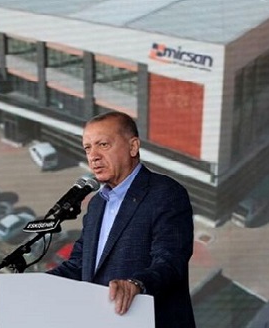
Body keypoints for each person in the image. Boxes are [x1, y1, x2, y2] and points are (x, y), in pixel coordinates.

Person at [47, 111, 196, 328]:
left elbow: (170, 261)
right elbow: (79, 264)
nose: (93, 156)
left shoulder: (165, 193)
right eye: (88, 148)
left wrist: (136, 284)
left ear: (133, 147)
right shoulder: (97, 204)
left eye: (103, 145)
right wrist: (35, 282)